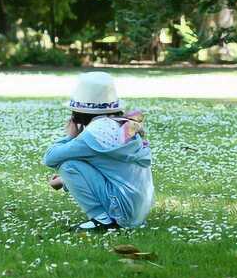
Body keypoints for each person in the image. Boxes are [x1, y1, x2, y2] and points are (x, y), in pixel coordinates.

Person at [43, 72, 154, 232]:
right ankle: (111, 218)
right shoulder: (123, 125)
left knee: (69, 165)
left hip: (124, 213)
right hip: (138, 210)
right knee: (74, 164)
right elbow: (105, 166)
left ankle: (102, 221)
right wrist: (64, 181)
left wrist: (71, 137)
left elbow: (50, 158)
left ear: (77, 113)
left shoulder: (94, 134)